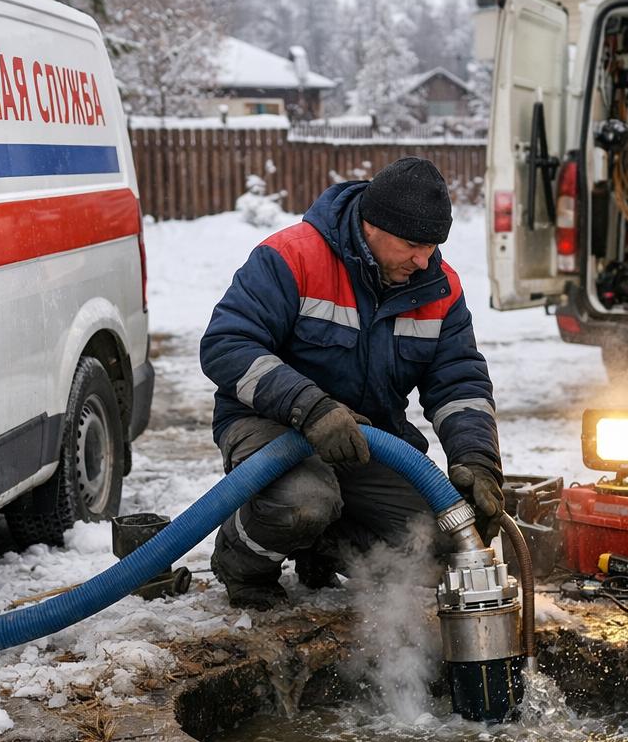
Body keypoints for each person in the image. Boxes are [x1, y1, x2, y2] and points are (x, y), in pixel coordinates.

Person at [199, 156, 504, 609]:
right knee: (304, 502)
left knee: (446, 543)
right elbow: (226, 343)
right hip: (273, 425)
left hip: (368, 440)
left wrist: (477, 461)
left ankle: (318, 545)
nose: (424, 260)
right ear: (372, 224)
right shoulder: (293, 256)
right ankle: (243, 564)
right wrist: (310, 406)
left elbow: (459, 384)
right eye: (412, 245)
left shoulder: (439, 288)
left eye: (433, 246)